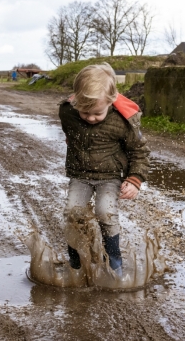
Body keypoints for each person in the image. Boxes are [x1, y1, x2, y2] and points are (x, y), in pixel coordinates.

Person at [58, 63, 150, 276]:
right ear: (77, 101)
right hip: (80, 175)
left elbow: (139, 152)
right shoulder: (68, 113)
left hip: (109, 176)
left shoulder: (122, 122)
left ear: (111, 102)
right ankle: (76, 263)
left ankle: (114, 263)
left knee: (105, 213)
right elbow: (68, 130)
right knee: (73, 212)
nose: (90, 118)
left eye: (97, 113)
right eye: (85, 112)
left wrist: (135, 179)